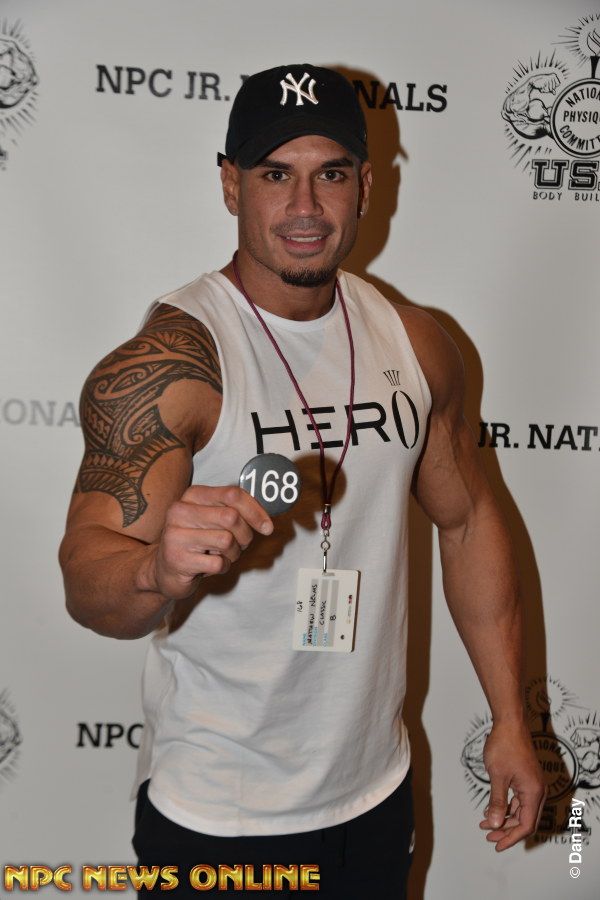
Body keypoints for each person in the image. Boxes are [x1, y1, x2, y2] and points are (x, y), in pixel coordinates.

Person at [59, 64, 546, 898]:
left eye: (331, 174)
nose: (306, 207)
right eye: (275, 174)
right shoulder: (172, 365)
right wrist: (153, 571)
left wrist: (509, 717)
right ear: (230, 185)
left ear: (366, 187)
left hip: (375, 793)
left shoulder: (416, 342)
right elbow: (86, 579)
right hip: (218, 814)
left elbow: (467, 521)